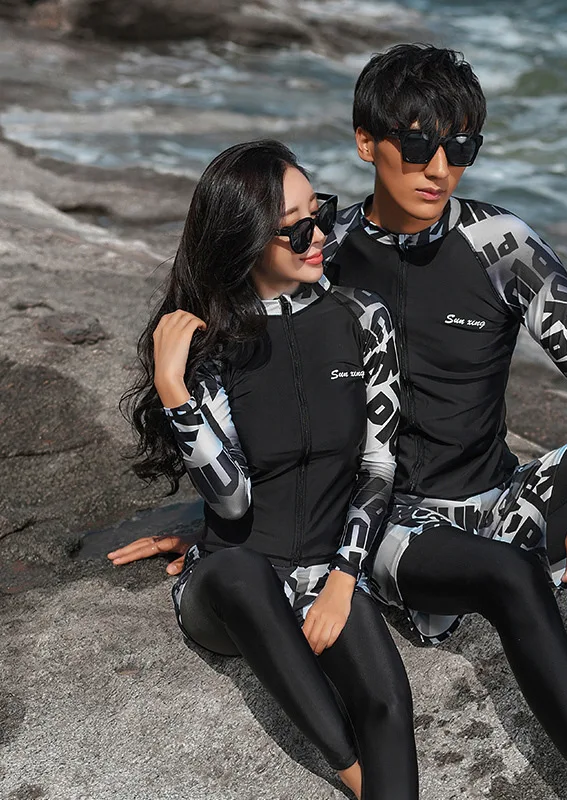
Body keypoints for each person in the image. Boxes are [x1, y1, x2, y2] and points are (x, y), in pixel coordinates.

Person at [113, 45, 567, 798]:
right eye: (418, 144)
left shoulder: (502, 246)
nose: (439, 169)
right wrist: (219, 523)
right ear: (367, 142)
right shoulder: (323, 256)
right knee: (507, 573)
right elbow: (266, 396)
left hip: (502, 502)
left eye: (460, 148)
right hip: (391, 527)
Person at [118, 139, 418, 800]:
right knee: (242, 570)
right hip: (230, 586)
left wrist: (343, 578)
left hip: (324, 571)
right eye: (296, 228)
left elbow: (378, 465)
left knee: (389, 703)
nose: (320, 237)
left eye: (322, 214)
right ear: (247, 240)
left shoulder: (363, 317)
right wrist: (174, 392)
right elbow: (231, 503)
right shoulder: (212, 342)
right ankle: (354, 774)